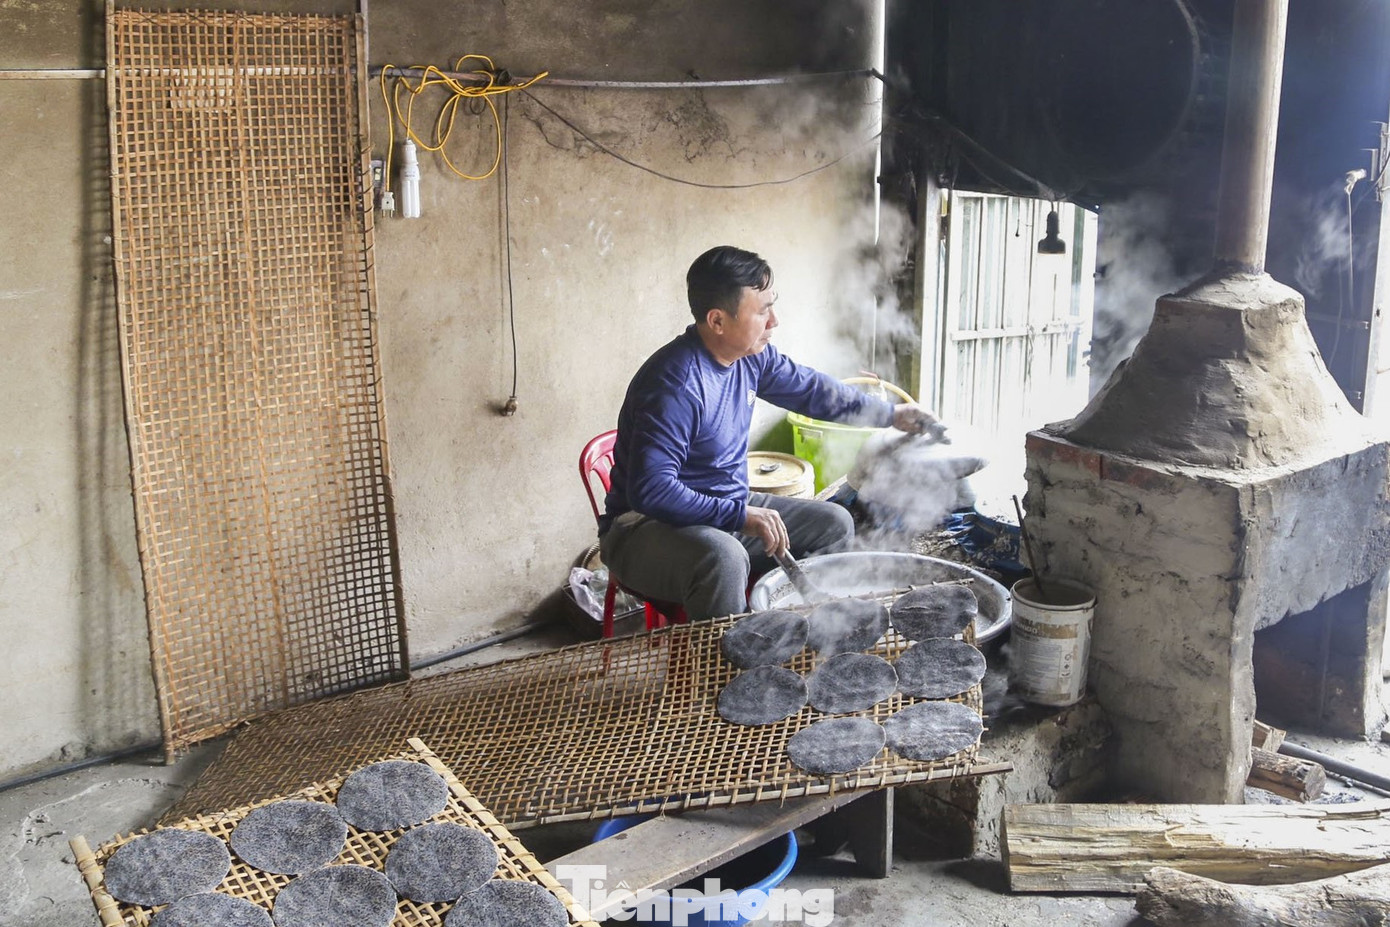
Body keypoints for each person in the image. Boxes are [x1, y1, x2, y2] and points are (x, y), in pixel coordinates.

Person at [598, 245, 940, 621]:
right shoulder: (675, 385)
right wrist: (740, 515)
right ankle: (726, 672)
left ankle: (797, 628)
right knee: (724, 559)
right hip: (643, 528)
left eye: (772, 305)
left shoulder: (751, 357)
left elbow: (813, 391)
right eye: (762, 311)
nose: (774, 320)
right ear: (717, 321)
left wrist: (890, 413)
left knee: (834, 523)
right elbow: (653, 491)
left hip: (723, 507)